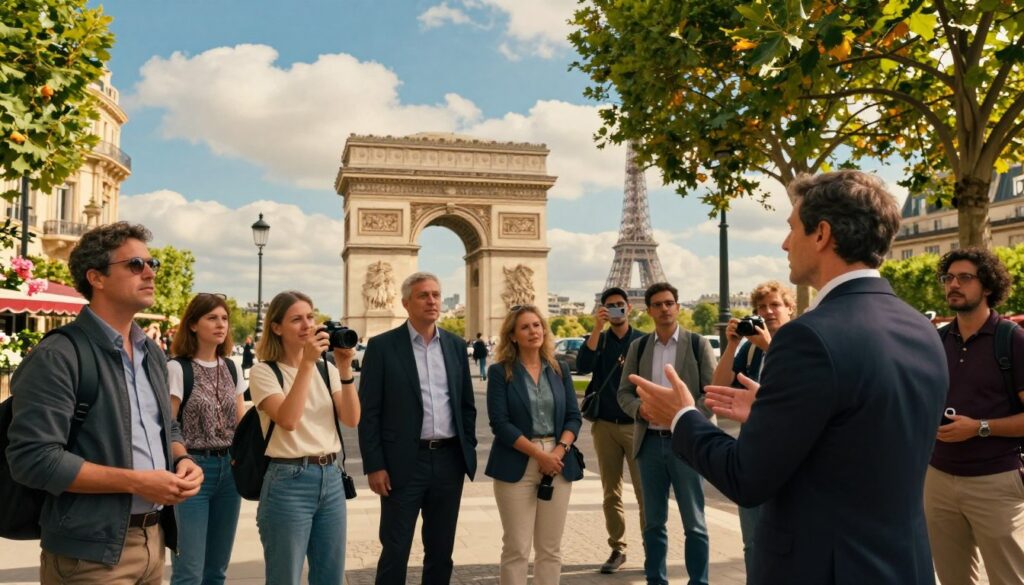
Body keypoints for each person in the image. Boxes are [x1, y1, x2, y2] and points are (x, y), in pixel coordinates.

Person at [630, 170, 948, 585]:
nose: (784, 243)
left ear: (822, 234)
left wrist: (682, 417)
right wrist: (774, 412)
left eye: (792, 228)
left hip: (821, 568)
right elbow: (863, 433)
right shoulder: (921, 329)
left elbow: (747, 478)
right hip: (903, 566)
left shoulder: (809, 336)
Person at [7, 222, 203, 584]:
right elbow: (33, 460)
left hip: (153, 541)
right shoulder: (59, 354)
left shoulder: (152, 354)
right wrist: (137, 482)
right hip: (89, 554)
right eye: (134, 265)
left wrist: (182, 458)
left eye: (151, 263)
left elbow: (166, 426)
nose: (150, 273)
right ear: (96, 278)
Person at [358, 272, 478, 585]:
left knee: (441, 551)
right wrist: (375, 465)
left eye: (436, 295)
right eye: (424, 295)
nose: (432, 301)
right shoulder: (382, 347)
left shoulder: (453, 345)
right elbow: (368, 412)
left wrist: (469, 449)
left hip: (449, 460)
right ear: (405, 303)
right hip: (401, 464)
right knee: (395, 550)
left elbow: (466, 404)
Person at [248, 290, 360, 585]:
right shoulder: (264, 372)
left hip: (332, 477)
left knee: (330, 577)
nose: (307, 325)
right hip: (288, 480)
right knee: (286, 577)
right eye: (296, 319)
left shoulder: (329, 369)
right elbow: (288, 420)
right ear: (276, 327)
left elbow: (351, 419)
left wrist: (345, 366)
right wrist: (307, 363)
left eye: (310, 317)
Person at [926, 247, 1024, 584]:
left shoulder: (1012, 340)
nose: (953, 284)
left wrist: (980, 428)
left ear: (987, 287)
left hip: (995, 481)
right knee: (953, 579)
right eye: (948, 277)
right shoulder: (935, 340)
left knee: (1009, 578)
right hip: (937, 479)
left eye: (965, 277)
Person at [617, 282, 716, 585]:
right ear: (648, 310)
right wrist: (640, 410)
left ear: (678, 306)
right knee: (653, 523)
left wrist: (682, 415)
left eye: (669, 303)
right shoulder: (639, 347)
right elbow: (623, 394)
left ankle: (698, 582)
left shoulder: (697, 344)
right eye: (658, 304)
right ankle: (655, 580)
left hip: (685, 443)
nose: (665, 309)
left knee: (695, 523)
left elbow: (710, 396)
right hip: (649, 444)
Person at [486, 304, 583, 584]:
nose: (533, 331)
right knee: (516, 548)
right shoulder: (500, 372)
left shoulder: (560, 369)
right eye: (525, 327)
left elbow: (574, 418)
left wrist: (558, 451)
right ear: (513, 336)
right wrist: (539, 455)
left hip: (558, 460)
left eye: (537, 325)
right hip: (517, 461)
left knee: (550, 549)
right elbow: (500, 423)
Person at [708, 280, 795, 576]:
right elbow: (717, 387)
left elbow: (800, 390)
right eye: (761, 308)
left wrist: (769, 346)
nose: (768, 312)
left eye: (775, 305)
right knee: (752, 541)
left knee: (790, 541)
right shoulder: (751, 350)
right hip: (752, 451)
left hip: (789, 456)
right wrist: (733, 343)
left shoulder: (801, 341)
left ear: (790, 309)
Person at [168, 293, 248, 585]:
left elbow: (241, 423)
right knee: (188, 571)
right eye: (211, 318)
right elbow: (167, 425)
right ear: (192, 325)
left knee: (217, 570)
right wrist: (181, 460)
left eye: (224, 318)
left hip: (230, 469)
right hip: (193, 469)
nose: (220, 324)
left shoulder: (232, 367)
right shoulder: (177, 369)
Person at [576, 286, 646, 573]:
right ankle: (618, 548)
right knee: (610, 492)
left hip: (636, 425)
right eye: (610, 306)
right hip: (604, 425)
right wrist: (596, 327)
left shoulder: (643, 341)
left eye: (620, 305)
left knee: (645, 493)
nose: (616, 309)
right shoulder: (599, 340)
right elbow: (582, 367)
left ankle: (652, 546)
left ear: (629, 308)